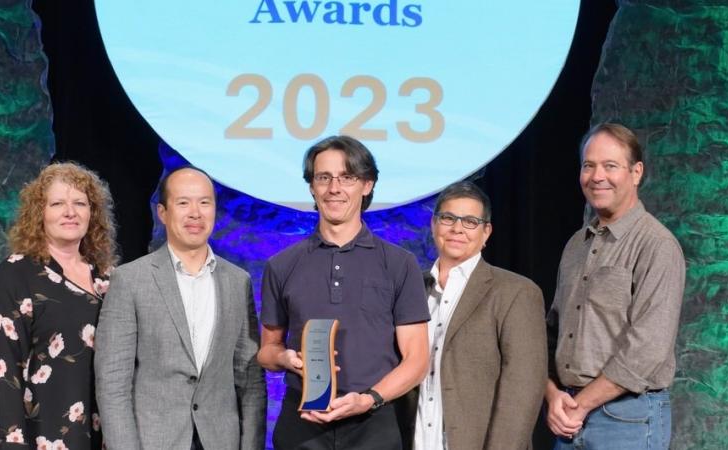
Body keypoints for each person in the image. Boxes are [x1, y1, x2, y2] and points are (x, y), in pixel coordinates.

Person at [258, 135, 430, 449]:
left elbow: (417, 359)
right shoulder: (281, 265)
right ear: (312, 186)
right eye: (324, 178)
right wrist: (285, 357)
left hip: (373, 423)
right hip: (302, 424)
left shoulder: (399, 264)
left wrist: (370, 399)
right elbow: (266, 351)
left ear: (367, 185)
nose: (334, 188)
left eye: (347, 177)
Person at [94, 166, 266, 450]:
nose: (195, 213)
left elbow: (251, 382)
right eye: (183, 203)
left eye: (204, 202)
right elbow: (112, 383)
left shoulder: (238, 281)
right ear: (162, 212)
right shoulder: (130, 279)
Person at [545, 123, 685, 449]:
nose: (597, 176)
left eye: (610, 166)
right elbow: (552, 332)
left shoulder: (656, 244)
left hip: (628, 420)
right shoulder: (575, 245)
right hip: (568, 415)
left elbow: (647, 349)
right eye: (588, 165)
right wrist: (553, 396)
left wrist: (580, 405)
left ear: (636, 173)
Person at [399, 181, 547, 449]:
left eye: (470, 221)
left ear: (486, 232)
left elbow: (522, 392)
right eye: (448, 218)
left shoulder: (516, 292)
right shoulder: (410, 290)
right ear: (434, 225)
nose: (457, 229)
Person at [0, 162, 118, 448]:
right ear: (39, 213)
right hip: (43, 433)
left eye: (80, 203)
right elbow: (4, 370)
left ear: (92, 214)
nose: (70, 212)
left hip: (107, 434)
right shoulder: (16, 273)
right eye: (57, 203)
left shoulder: (110, 279)